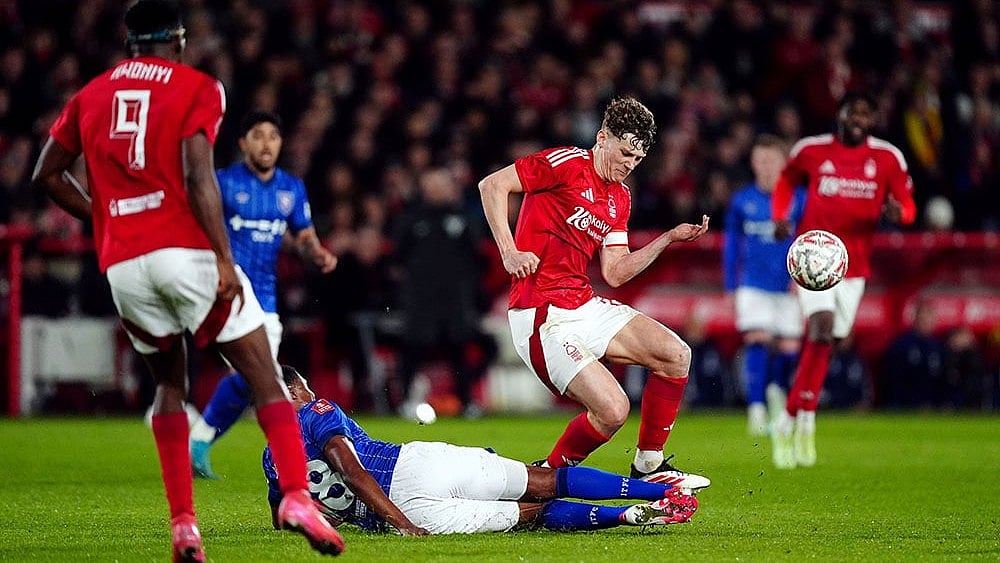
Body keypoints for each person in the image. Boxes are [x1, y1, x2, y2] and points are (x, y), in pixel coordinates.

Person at [29, 2, 343, 560]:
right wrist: (223, 258)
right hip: (183, 251)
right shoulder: (197, 86)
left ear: (130, 44)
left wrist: (104, 219)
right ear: (176, 40)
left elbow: (46, 175)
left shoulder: (90, 95)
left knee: (169, 384)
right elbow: (200, 176)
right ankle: (296, 495)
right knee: (264, 374)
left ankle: (184, 528)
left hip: (123, 266)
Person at [478, 95, 711, 491]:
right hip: (542, 312)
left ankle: (648, 466)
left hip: (583, 303)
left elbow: (616, 272)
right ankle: (545, 479)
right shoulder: (566, 163)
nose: (628, 164)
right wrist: (509, 250)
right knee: (614, 409)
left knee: (676, 354)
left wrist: (667, 239)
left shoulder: (620, 197)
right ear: (602, 137)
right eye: (624, 153)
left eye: (637, 159)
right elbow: (493, 185)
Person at [264, 365, 699, 534]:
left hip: (411, 509)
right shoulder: (315, 411)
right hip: (412, 467)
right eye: (304, 383)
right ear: (296, 389)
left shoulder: (271, 458)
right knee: (542, 482)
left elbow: (283, 513)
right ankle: (660, 493)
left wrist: (398, 525)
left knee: (531, 516)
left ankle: (622, 517)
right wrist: (399, 519)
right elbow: (352, 469)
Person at [771, 91, 916, 469]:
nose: (859, 119)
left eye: (867, 114)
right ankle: (806, 419)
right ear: (841, 114)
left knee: (829, 341)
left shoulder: (887, 158)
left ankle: (789, 413)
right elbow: (786, 183)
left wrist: (898, 213)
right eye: (855, 111)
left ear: (872, 121)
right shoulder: (812, 150)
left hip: (853, 266)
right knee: (821, 329)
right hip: (811, 258)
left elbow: (908, 207)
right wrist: (781, 216)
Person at [187, 110, 336, 480]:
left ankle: (200, 441)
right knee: (259, 372)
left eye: (272, 135)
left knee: (256, 375)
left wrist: (316, 252)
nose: (266, 143)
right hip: (227, 289)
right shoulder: (222, 182)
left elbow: (303, 235)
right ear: (243, 143)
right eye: (257, 135)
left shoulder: (291, 188)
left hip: (266, 298)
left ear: (281, 143)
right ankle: (294, 461)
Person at [392, 168, 494, 418]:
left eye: (440, 185)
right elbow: (396, 256)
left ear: (450, 188)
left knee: (460, 352)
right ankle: (405, 400)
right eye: (430, 185)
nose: (435, 190)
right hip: (420, 301)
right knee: (411, 351)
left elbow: (479, 257)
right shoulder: (411, 219)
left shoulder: (465, 219)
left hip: (455, 301)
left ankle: (466, 401)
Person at [723, 134, 806, 436]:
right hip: (752, 283)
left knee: (788, 348)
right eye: (760, 160)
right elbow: (732, 246)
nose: (766, 166)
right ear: (753, 163)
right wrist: (731, 286)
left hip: (788, 285)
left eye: (772, 160)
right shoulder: (742, 201)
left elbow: (809, 240)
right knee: (757, 338)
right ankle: (756, 410)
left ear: (784, 164)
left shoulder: (799, 199)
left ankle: (775, 394)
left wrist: (803, 280)